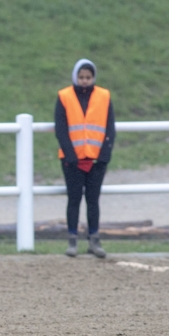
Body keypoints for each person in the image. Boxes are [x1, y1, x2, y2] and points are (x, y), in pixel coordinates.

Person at [55, 58, 116, 258]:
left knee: (93, 200)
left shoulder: (104, 96)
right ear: (75, 77)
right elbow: (61, 128)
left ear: (93, 78)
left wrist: (104, 154)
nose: (84, 81)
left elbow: (109, 127)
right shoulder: (64, 96)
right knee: (74, 199)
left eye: (88, 77)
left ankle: (94, 239)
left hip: (97, 160)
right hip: (71, 160)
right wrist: (71, 155)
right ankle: (72, 240)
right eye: (81, 77)